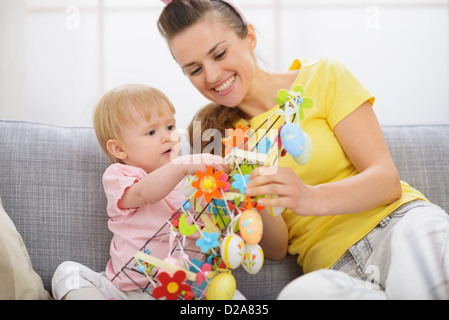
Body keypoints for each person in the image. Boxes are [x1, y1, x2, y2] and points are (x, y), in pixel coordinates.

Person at [157, 0, 449, 299]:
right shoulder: (216, 136)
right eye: (194, 70)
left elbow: (386, 181)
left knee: (419, 282)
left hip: (398, 228)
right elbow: (275, 247)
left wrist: (310, 197)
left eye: (219, 53)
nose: (212, 75)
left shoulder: (322, 77)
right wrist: (249, 186)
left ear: (250, 37)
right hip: (335, 270)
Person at [51, 84, 232, 300]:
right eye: (152, 132)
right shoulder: (122, 176)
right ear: (119, 149)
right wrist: (182, 165)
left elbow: (210, 226)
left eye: (170, 126)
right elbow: (143, 194)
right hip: (126, 291)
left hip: (183, 291)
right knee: (68, 273)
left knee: (231, 295)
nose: (168, 137)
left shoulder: (192, 180)